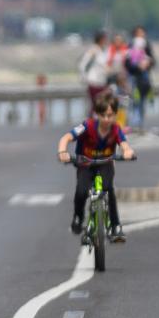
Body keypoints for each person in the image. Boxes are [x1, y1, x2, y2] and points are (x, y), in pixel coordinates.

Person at [57, 91, 136, 242]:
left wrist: (128, 151)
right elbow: (66, 137)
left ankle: (115, 227)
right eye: (103, 115)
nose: (107, 119)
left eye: (111, 115)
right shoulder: (87, 126)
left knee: (108, 189)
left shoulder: (116, 129)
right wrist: (63, 152)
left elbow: (124, 144)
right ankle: (78, 217)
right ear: (97, 114)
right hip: (85, 163)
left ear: (115, 114)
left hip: (105, 163)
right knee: (81, 190)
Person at [126, 26, 155, 123]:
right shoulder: (130, 46)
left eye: (142, 33)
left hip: (144, 78)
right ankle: (132, 122)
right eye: (138, 33)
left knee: (142, 101)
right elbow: (127, 62)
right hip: (133, 76)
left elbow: (153, 61)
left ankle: (140, 123)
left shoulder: (147, 46)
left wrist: (147, 63)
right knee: (133, 100)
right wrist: (136, 66)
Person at [79, 30, 112, 110]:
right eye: (105, 39)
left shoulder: (103, 51)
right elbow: (82, 64)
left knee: (102, 107)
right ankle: (91, 122)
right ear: (101, 39)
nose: (106, 41)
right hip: (94, 82)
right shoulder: (93, 50)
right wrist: (85, 77)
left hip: (102, 82)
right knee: (96, 106)